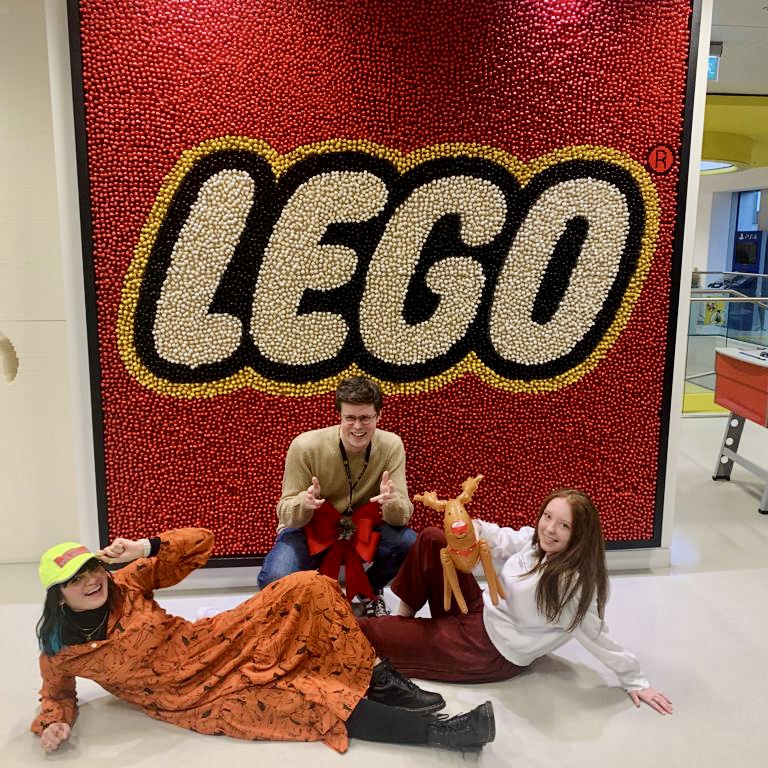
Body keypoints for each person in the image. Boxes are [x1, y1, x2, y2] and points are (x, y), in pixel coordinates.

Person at [32, 528, 496, 754]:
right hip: (192, 697)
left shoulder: (127, 583)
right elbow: (56, 696)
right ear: (59, 597)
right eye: (77, 580)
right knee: (306, 698)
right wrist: (55, 724)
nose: (92, 581)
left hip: (214, 640)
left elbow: (201, 544)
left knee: (309, 587)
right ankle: (444, 734)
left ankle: (379, 677)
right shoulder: (60, 651)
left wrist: (147, 548)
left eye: (93, 569)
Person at [358, 489, 674, 716]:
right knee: (432, 537)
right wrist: (474, 528)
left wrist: (634, 678)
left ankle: (397, 633)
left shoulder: (571, 584)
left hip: (486, 651)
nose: (550, 528)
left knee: (366, 631)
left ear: (580, 535)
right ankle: (404, 623)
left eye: (564, 526)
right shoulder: (539, 543)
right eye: (548, 517)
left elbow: (595, 635)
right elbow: (506, 539)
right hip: (479, 613)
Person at [257, 376, 417, 616]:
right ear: (339, 416)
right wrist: (304, 503)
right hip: (311, 528)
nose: (357, 427)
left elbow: (401, 517)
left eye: (365, 418)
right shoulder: (305, 446)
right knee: (275, 577)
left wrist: (392, 504)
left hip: (363, 528)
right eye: (350, 418)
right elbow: (286, 514)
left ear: (378, 416)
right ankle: (313, 603)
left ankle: (370, 590)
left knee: (409, 543)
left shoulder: (392, 445)